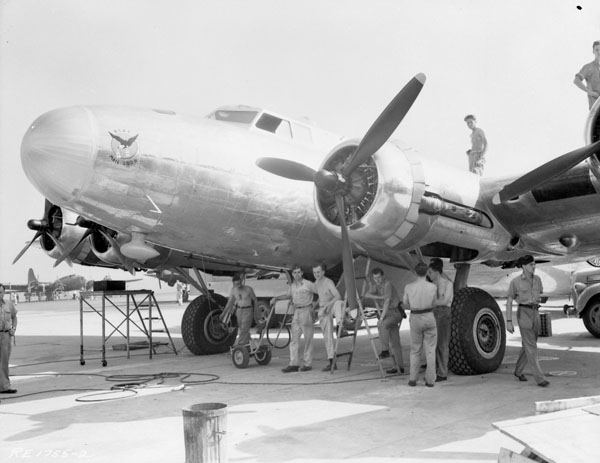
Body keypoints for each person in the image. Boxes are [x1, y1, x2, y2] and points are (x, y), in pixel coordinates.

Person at [506, 255, 550, 387]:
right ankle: (540, 378)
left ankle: (518, 371)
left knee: (528, 344)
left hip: (535, 312)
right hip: (523, 313)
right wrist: (509, 321)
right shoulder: (515, 282)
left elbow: (541, 295)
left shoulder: (538, 279)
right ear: (524, 267)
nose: (534, 266)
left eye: (534, 264)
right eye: (531, 264)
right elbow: (509, 301)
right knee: (532, 347)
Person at [271, 265, 318, 372]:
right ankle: (294, 363)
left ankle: (307, 363)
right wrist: (276, 298)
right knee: (294, 339)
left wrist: (314, 307)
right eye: (295, 273)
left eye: (298, 272)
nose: (297, 274)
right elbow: (288, 295)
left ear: (302, 273)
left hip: (307, 310)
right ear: (292, 274)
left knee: (308, 339)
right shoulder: (293, 286)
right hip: (296, 312)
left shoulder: (308, 284)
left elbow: (320, 293)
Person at [364, 267, 406, 375]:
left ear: (383, 276)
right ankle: (399, 366)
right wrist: (378, 297)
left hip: (395, 312)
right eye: (375, 278)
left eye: (378, 277)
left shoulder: (388, 284)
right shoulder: (376, 285)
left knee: (382, 324)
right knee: (395, 342)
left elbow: (387, 301)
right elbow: (367, 294)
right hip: (388, 313)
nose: (377, 280)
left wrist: (381, 318)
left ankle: (384, 350)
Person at [403, 263, 437, 387]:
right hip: (429, 316)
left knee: (415, 349)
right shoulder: (432, 287)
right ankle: (430, 380)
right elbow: (435, 303)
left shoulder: (409, 287)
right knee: (430, 350)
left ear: (415, 273)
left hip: (415, 317)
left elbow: (405, 302)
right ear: (427, 272)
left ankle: (413, 378)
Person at [427, 258, 454, 382]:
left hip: (443, 313)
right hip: (434, 313)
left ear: (436, 272)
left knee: (442, 344)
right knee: (433, 344)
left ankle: (442, 372)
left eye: (430, 272)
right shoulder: (431, 285)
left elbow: (444, 301)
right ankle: (436, 369)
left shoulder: (447, 283)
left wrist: (432, 302)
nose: (429, 275)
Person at [313, 263, 342, 372]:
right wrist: (313, 308)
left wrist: (328, 305)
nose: (317, 274)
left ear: (323, 272)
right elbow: (320, 298)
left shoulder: (328, 282)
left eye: (318, 272)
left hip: (331, 306)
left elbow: (338, 296)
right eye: (315, 273)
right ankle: (332, 362)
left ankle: (340, 326)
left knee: (339, 303)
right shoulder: (316, 283)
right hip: (323, 310)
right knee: (327, 336)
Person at [220, 273, 258, 347]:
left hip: (248, 310)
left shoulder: (248, 289)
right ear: (233, 284)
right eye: (237, 284)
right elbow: (229, 303)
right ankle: (252, 346)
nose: (239, 285)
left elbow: (255, 300)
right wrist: (223, 313)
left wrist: (257, 312)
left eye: (240, 283)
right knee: (243, 330)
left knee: (244, 329)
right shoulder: (233, 290)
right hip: (239, 311)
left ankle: (239, 346)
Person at [0, 283, 18, 394]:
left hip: (5, 336)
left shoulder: (9, 305)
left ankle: (5, 386)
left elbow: (14, 317)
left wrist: (14, 329)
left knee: (4, 362)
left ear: (4, 293)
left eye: (0, 292)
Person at [574, 40, 600, 109]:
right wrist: (590, 92)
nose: (599, 52)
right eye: (597, 50)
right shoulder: (588, 67)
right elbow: (576, 80)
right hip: (595, 108)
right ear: (593, 51)